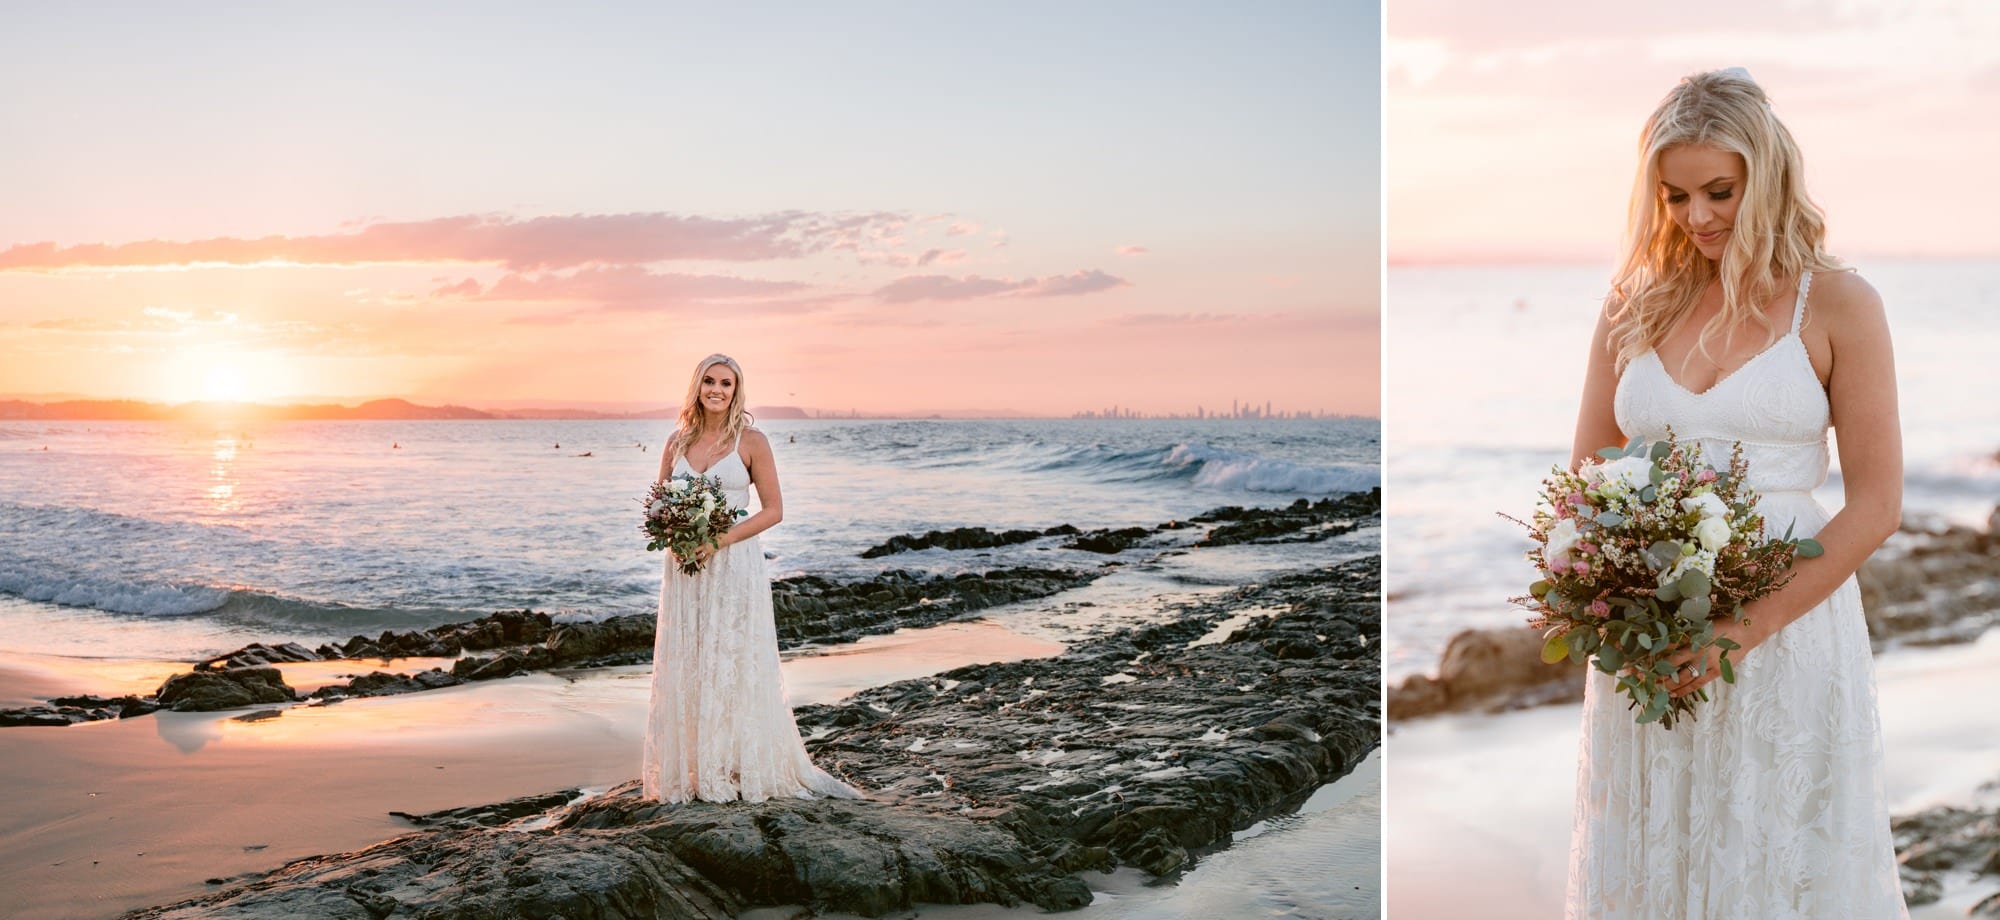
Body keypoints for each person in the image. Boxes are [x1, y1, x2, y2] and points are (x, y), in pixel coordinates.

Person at [1564, 69, 1906, 917]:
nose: (1698, 216)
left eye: (1720, 190)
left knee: (1780, 853)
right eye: (1675, 197)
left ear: (1770, 176)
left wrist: (1738, 631)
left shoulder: (1839, 304)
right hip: (1648, 636)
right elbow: (1588, 473)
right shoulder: (1630, 307)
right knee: (1653, 854)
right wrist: (1601, 594)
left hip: (1788, 629)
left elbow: (1876, 506)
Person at [642, 353, 860, 804]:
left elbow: (774, 511)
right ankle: (698, 765)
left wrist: (717, 540)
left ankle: (739, 761)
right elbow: (660, 504)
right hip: (685, 567)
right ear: (697, 387)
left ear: (737, 389)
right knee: (692, 657)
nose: (716, 389)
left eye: (726, 382)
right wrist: (676, 531)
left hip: (732, 564)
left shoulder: (752, 441)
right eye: (709, 381)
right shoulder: (676, 441)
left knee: (733, 657)